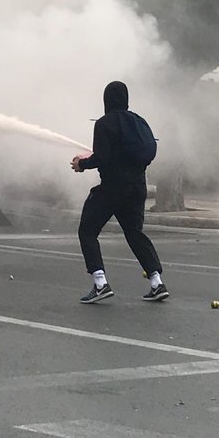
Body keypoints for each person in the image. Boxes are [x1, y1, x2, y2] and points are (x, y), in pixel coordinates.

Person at [71, 81, 168, 304]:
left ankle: (100, 283)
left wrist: (82, 164)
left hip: (112, 187)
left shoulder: (104, 124)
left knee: (87, 230)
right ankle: (156, 281)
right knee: (135, 233)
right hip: (137, 187)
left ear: (107, 100)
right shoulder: (140, 122)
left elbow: (102, 157)